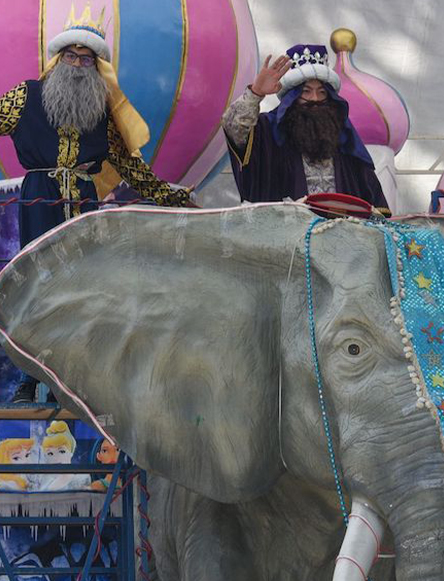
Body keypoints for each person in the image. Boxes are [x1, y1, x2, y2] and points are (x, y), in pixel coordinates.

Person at [1, 8, 192, 403]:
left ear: (96, 66)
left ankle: (71, 379)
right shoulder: (26, 95)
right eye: (70, 56)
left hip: (84, 204)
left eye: (85, 59)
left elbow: (130, 166)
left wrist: (172, 196)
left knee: (82, 288)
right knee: (36, 285)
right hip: (40, 198)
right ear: (58, 59)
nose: (76, 65)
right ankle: (28, 379)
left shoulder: (102, 111)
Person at [222, 45, 389, 213]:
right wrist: (256, 92)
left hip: (342, 227)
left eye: (322, 92)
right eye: (306, 92)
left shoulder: (343, 135)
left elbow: (370, 193)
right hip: (286, 227)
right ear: (292, 97)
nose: (315, 99)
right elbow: (232, 126)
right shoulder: (270, 129)